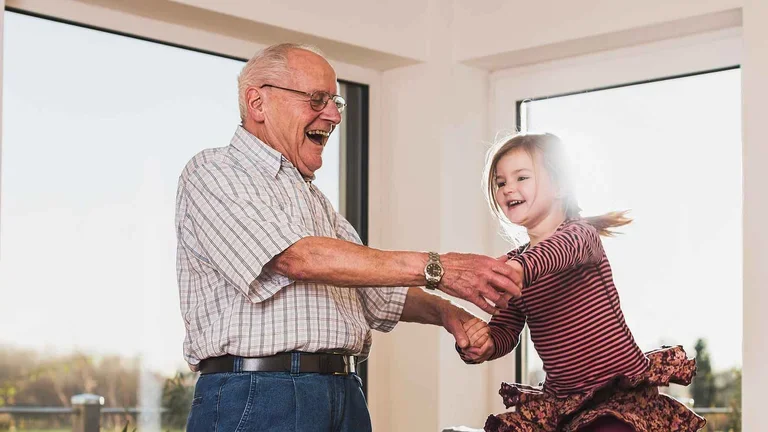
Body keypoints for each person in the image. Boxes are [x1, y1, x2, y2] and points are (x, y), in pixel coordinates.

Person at [175, 43, 522, 431]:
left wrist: (448, 313)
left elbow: (377, 293)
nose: (334, 115)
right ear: (257, 103)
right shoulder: (215, 171)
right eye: (317, 99)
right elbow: (296, 258)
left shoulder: (318, 205)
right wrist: (440, 268)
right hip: (260, 395)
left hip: (343, 392)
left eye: (336, 101)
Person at [457, 132, 706, 432]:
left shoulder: (580, 235)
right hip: (565, 401)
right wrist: (486, 343)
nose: (509, 188)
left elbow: (557, 252)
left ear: (561, 185)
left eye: (521, 177)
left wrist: (518, 269)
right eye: (500, 182)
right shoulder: (516, 265)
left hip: (617, 392)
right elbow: (506, 329)